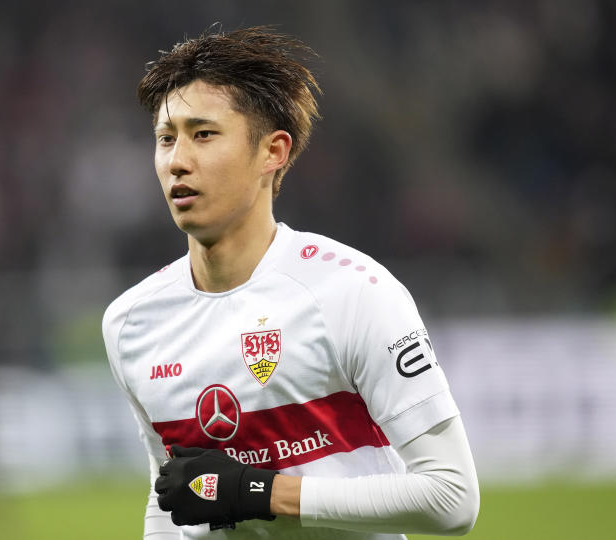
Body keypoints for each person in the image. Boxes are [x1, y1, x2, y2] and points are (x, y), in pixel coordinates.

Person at [102, 26, 479, 539]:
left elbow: (451, 497)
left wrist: (260, 492)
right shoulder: (130, 322)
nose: (177, 161)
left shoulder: (353, 292)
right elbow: (170, 496)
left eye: (203, 134)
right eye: (166, 138)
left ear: (272, 152)